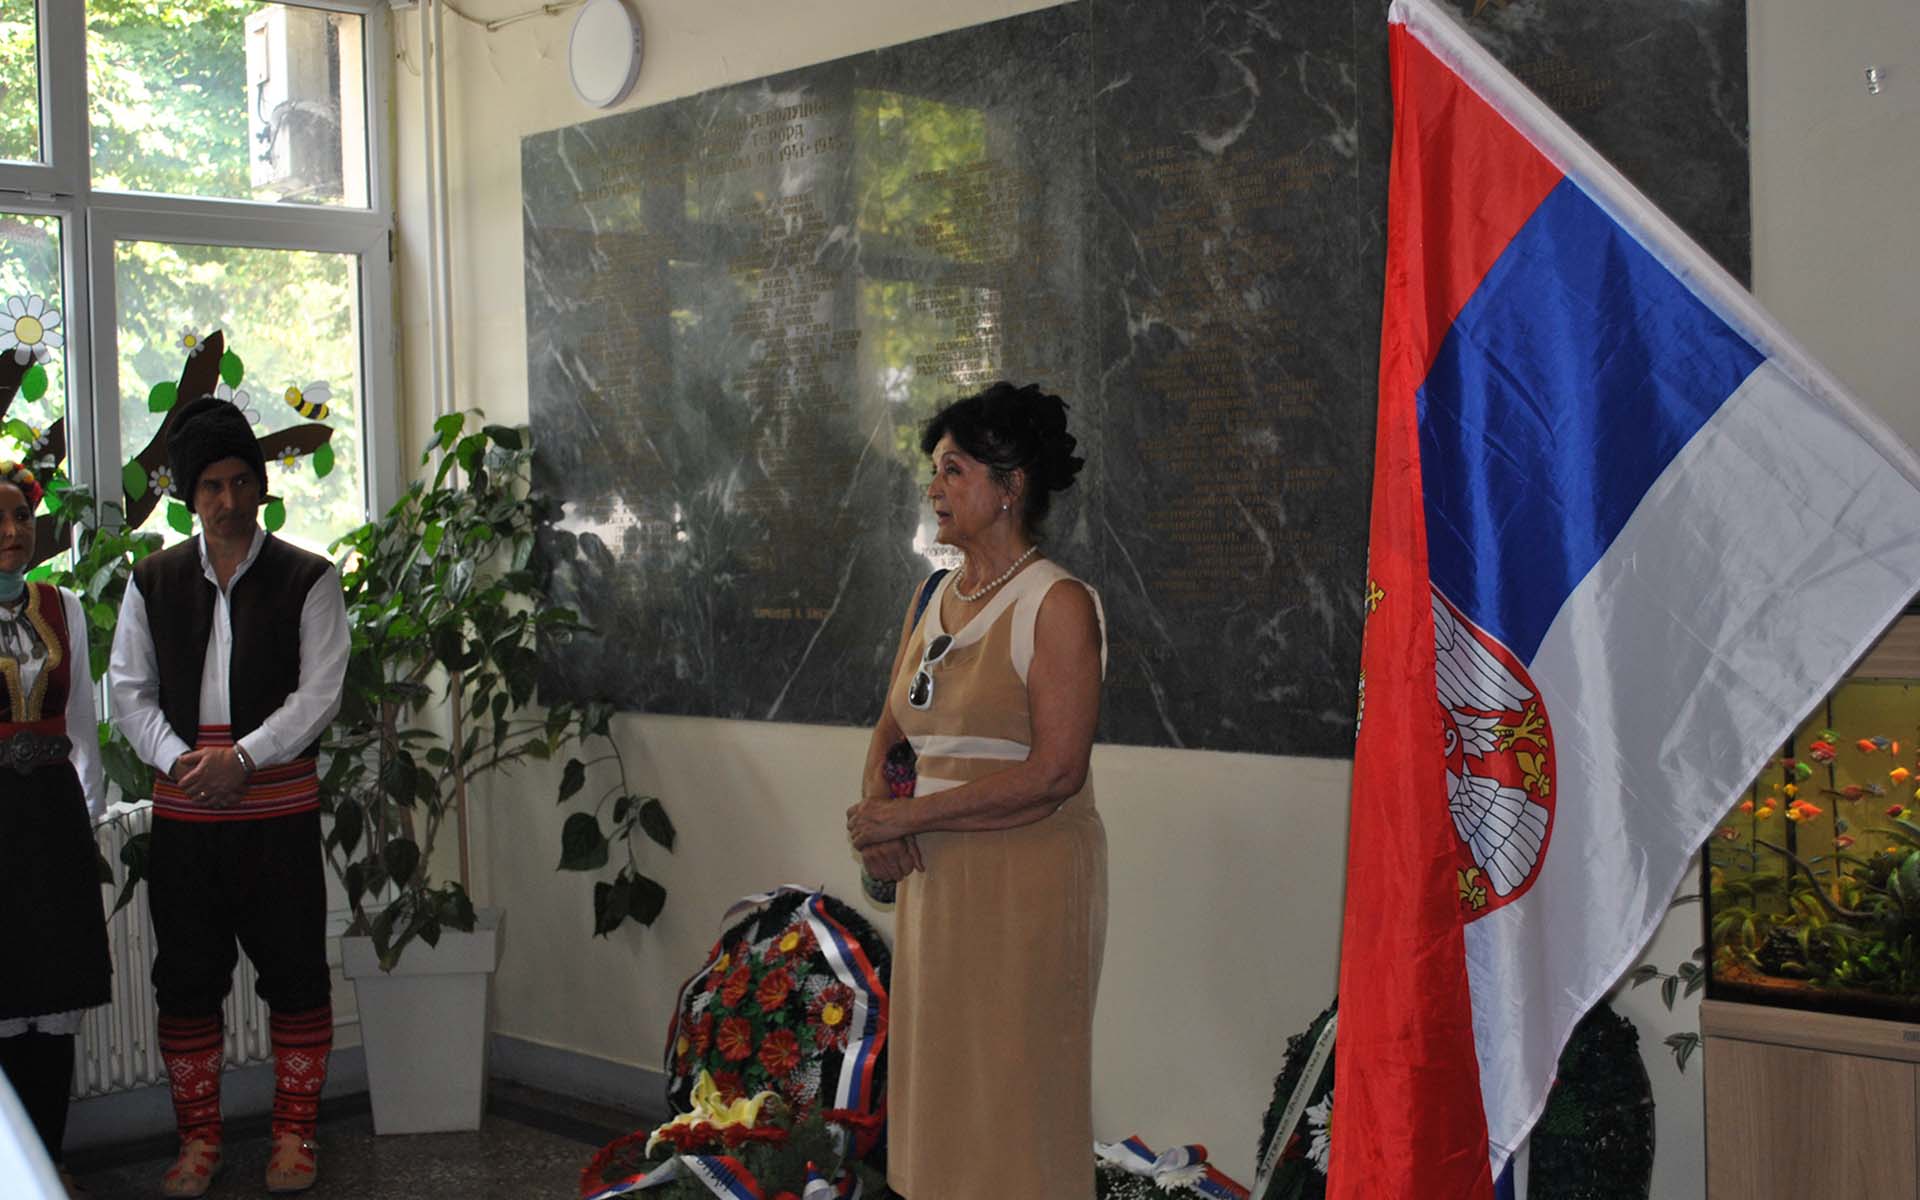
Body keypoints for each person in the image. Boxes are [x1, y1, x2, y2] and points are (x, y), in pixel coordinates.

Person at [846, 381, 1108, 1198]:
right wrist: (877, 822)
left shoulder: (1057, 603)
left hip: (1025, 884)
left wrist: (908, 816)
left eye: (953, 470)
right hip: (936, 882)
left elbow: (1056, 773)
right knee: (941, 1083)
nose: (935, 487)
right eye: (936, 469)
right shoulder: (932, 595)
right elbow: (892, 731)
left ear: (1010, 487)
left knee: (1014, 1090)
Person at [108, 397, 349, 1198]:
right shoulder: (152, 580)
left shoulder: (309, 577)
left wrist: (244, 758)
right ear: (189, 495)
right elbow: (128, 692)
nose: (228, 498)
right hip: (187, 818)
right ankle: (199, 1143)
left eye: (241, 480)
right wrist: (183, 764)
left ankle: (294, 1137)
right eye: (211, 485)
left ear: (261, 486)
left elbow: (319, 694)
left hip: (278, 813)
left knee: (296, 973)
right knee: (184, 980)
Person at [0, 460, 110, 1200]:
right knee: (5, 992)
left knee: (54, 996)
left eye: (21, 517)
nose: (12, 531)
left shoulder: (62, 605)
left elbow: (81, 723)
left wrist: (87, 813)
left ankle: (52, 1155)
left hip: (52, 814)